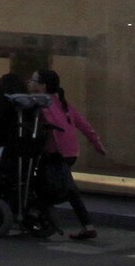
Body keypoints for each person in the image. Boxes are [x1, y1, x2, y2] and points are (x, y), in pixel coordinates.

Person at [28, 68, 105, 241]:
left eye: (33, 80)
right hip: (70, 152)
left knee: (49, 187)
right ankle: (87, 226)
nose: (29, 82)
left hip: (56, 153)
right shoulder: (62, 103)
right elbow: (83, 124)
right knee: (69, 189)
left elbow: (50, 128)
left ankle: (38, 214)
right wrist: (96, 142)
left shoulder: (41, 104)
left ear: (42, 86)